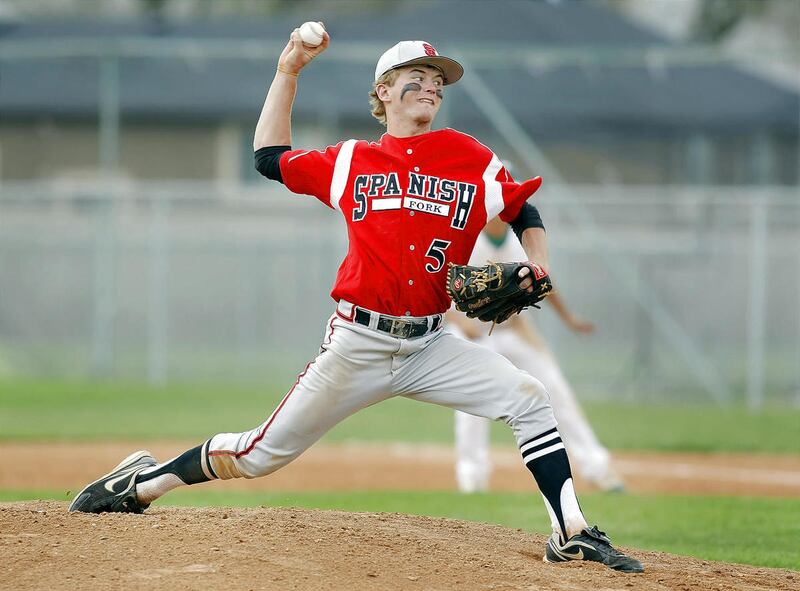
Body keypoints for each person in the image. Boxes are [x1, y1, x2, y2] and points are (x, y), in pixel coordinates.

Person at [69, 27, 643, 573]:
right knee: (257, 457)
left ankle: (569, 533)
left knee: (528, 395)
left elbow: (524, 210)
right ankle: (142, 484)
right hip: (357, 344)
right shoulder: (350, 162)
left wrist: (538, 265)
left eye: (439, 80)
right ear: (384, 91)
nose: (433, 86)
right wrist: (287, 70)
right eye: (417, 76)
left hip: (430, 344)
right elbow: (269, 158)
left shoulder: (470, 157)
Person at [449, 217, 624, 494]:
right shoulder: (465, 238)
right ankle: (472, 478)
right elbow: (437, 285)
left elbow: (544, 281)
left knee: (555, 388)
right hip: (474, 333)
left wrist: (568, 318)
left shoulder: (519, 240)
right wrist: (458, 322)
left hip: (513, 329)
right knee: (470, 404)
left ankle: (597, 468)